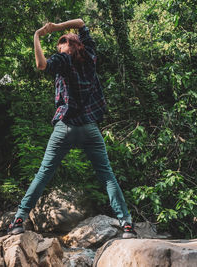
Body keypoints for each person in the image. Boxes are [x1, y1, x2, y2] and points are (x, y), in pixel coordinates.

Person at [7, 19, 137, 238]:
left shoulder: (63, 61)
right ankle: (127, 226)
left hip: (65, 126)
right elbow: (81, 22)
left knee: (44, 174)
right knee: (107, 176)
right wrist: (57, 27)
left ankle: (19, 219)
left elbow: (41, 65)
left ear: (70, 47)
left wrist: (38, 35)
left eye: (62, 43)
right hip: (89, 127)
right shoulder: (90, 57)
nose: (59, 47)